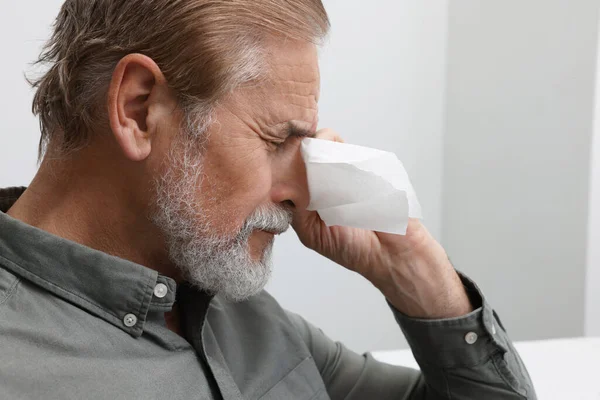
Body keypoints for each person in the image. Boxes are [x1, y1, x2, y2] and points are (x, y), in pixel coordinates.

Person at [0, 1, 536, 399]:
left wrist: (412, 270)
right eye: (278, 140)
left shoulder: (244, 316)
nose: (303, 191)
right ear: (140, 109)